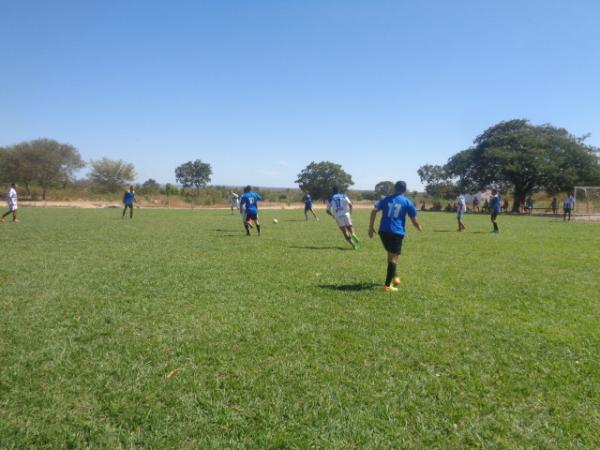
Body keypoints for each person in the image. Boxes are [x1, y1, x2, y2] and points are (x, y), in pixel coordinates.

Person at [368, 181, 422, 292]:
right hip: (396, 232)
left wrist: (370, 227)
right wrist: (419, 227)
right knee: (393, 257)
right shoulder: (407, 202)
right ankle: (387, 286)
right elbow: (414, 220)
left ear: (394, 189)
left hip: (383, 232)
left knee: (391, 255)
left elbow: (374, 210)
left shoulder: (386, 199)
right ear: (405, 190)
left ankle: (395, 277)